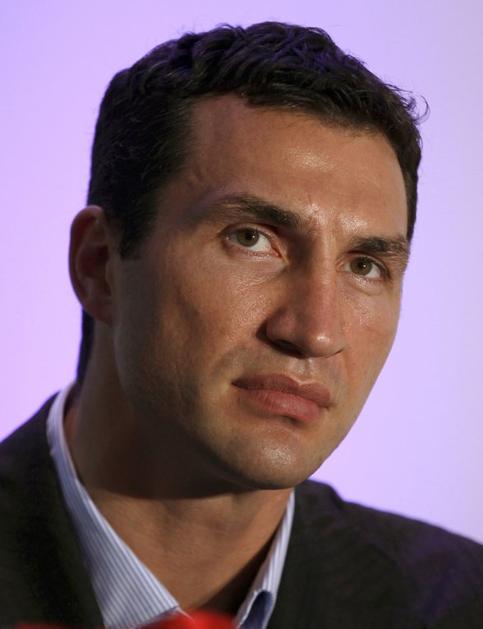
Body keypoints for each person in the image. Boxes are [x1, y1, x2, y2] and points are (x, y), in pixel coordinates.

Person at [1, 20, 482, 629]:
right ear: (99, 265)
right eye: (251, 239)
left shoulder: (459, 605)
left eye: (364, 265)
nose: (316, 333)